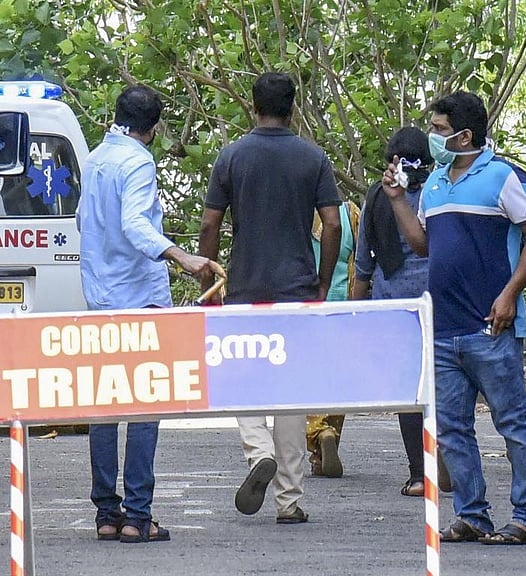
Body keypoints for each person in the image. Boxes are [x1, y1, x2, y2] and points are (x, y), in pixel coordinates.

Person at [383, 91, 526, 545]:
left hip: (489, 325)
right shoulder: (435, 182)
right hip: (444, 327)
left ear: (464, 135)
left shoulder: (502, 176)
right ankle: (472, 513)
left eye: (438, 129)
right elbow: (423, 245)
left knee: (513, 420)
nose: (432, 136)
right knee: (452, 426)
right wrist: (398, 199)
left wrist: (509, 294)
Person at [78, 85, 224, 543]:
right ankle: (138, 516)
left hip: (100, 295)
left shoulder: (98, 157)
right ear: (155, 129)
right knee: (144, 404)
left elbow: (86, 220)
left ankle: (106, 512)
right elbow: (135, 224)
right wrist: (183, 257)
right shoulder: (138, 161)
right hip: (138, 296)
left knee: (104, 404)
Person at [198, 72, 342, 524]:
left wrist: (209, 282)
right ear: (293, 108)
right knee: (291, 394)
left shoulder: (232, 156)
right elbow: (333, 224)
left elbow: (209, 225)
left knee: (243, 380)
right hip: (296, 290)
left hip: (244, 289)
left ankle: (258, 450)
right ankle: (289, 501)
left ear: (252, 106)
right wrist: (321, 283)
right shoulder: (312, 157)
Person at [351, 127, 433, 496]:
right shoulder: (438, 192)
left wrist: (356, 315)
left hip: (393, 303)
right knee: (442, 384)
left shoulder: (377, 197)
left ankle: (419, 472)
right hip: (437, 301)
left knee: (409, 390)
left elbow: (363, 264)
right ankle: (440, 460)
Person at [306, 198, 361, 479]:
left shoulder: (300, 209)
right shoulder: (349, 214)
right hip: (343, 305)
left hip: (307, 303)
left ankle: (319, 434)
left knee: (309, 379)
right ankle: (332, 434)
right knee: (338, 379)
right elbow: (362, 261)